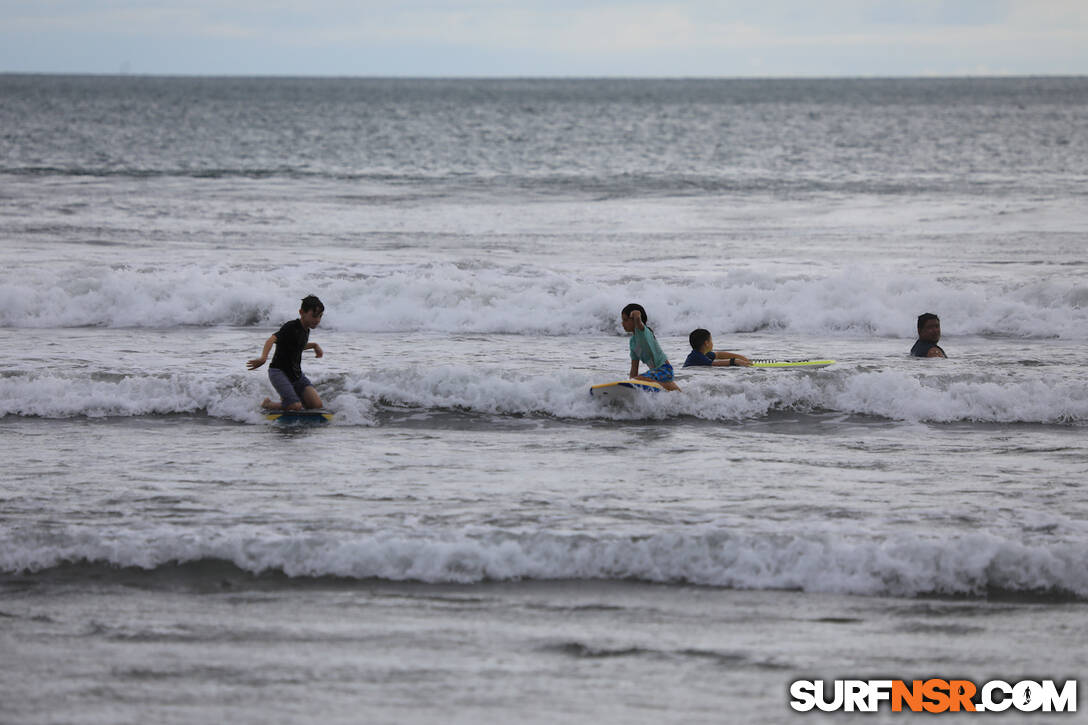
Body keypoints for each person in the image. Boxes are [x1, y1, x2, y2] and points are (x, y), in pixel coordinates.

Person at [247, 295, 326, 410]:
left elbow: (297, 347)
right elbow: (272, 339)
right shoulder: (291, 327)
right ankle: (268, 404)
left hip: (296, 375)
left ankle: (288, 400)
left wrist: (314, 345)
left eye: (320, 316)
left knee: (316, 405)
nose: (317, 320)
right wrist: (263, 358)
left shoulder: (306, 330)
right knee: (295, 406)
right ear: (301, 312)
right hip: (279, 372)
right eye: (314, 316)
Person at [621, 303, 680, 391]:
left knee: (637, 381)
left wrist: (636, 315)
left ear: (634, 320)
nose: (622, 323)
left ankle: (669, 387)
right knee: (635, 380)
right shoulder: (632, 342)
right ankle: (672, 389)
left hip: (665, 370)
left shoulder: (643, 332)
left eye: (625, 320)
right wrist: (629, 387)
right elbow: (634, 369)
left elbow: (638, 320)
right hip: (656, 374)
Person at [683, 328, 752, 368]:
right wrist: (735, 361)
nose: (712, 343)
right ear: (706, 343)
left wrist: (742, 358)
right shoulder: (697, 357)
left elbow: (719, 355)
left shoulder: (703, 353)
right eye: (711, 340)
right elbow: (715, 364)